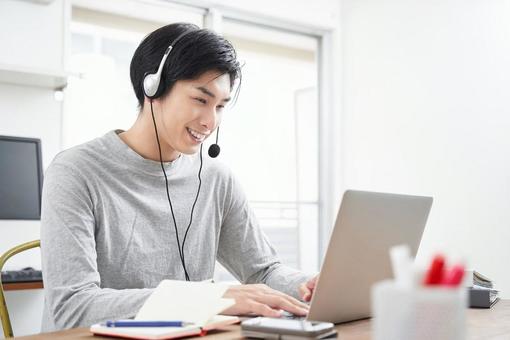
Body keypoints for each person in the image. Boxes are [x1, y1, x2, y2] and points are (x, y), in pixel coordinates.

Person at [40, 22, 317, 331]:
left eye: (221, 106)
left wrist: (311, 285)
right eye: (201, 100)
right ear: (153, 88)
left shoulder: (216, 179)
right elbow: (73, 308)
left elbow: (263, 272)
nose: (210, 121)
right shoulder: (76, 172)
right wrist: (210, 298)